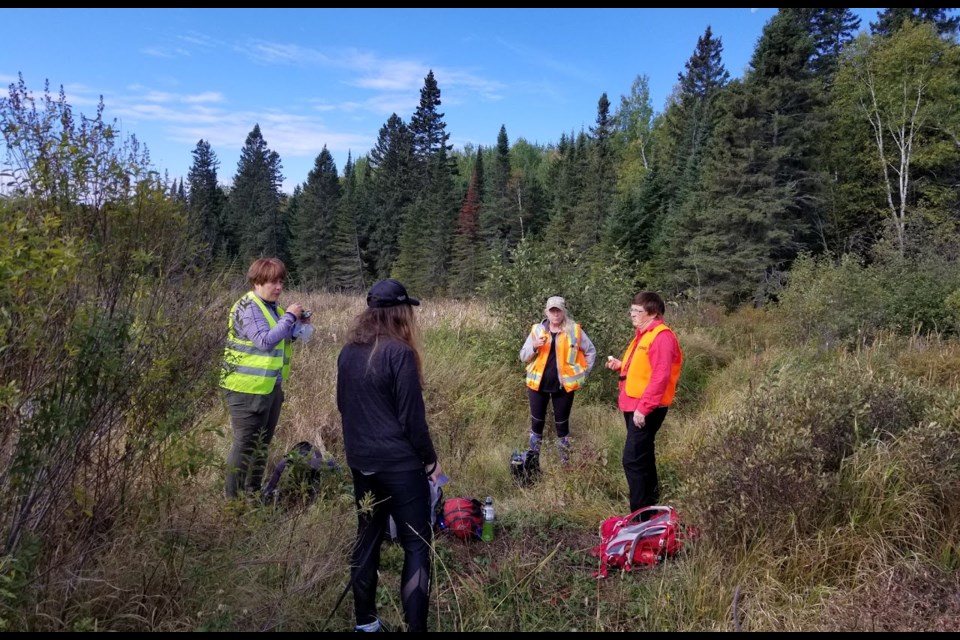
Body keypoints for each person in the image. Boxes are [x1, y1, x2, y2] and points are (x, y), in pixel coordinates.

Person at [337, 278, 441, 633]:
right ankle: (416, 628)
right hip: (400, 465)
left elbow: (343, 407)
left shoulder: (349, 351)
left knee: (367, 537)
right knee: (416, 544)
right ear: (401, 312)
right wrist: (430, 460)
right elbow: (412, 419)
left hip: (361, 461)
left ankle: (366, 624)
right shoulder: (400, 352)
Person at [220, 257, 311, 500]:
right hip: (245, 389)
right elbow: (263, 340)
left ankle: (253, 493)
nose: (279, 287)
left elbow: (283, 338)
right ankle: (233, 502)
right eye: (272, 282)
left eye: (281, 281)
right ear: (257, 282)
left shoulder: (273, 308)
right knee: (244, 444)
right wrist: (290, 317)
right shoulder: (247, 307)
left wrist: (298, 325)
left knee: (262, 443)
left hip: (269, 387)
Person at [605, 292, 683, 512]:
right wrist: (621, 366)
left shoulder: (662, 336)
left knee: (633, 460)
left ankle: (639, 516)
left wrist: (644, 408)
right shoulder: (643, 334)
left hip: (646, 408)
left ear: (653, 313)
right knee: (644, 454)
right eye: (631, 310)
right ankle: (652, 506)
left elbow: (661, 375)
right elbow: (644, 368)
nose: (632, 315)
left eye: (637, 311)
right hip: (634, 405)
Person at [519, 296, 596, 463]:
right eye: (552, 310)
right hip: (537, 385)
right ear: (546, 312)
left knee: (562, 426)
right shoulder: (537, 330)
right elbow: (523, 356)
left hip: (563, 387)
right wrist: (534, 346)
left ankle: (565, 464)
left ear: (563, 312)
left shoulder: (574, 330)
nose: (555, 314)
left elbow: (591, 351)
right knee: (536, 425)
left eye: (558, 310)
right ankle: (532, 463)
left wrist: (583, 373)